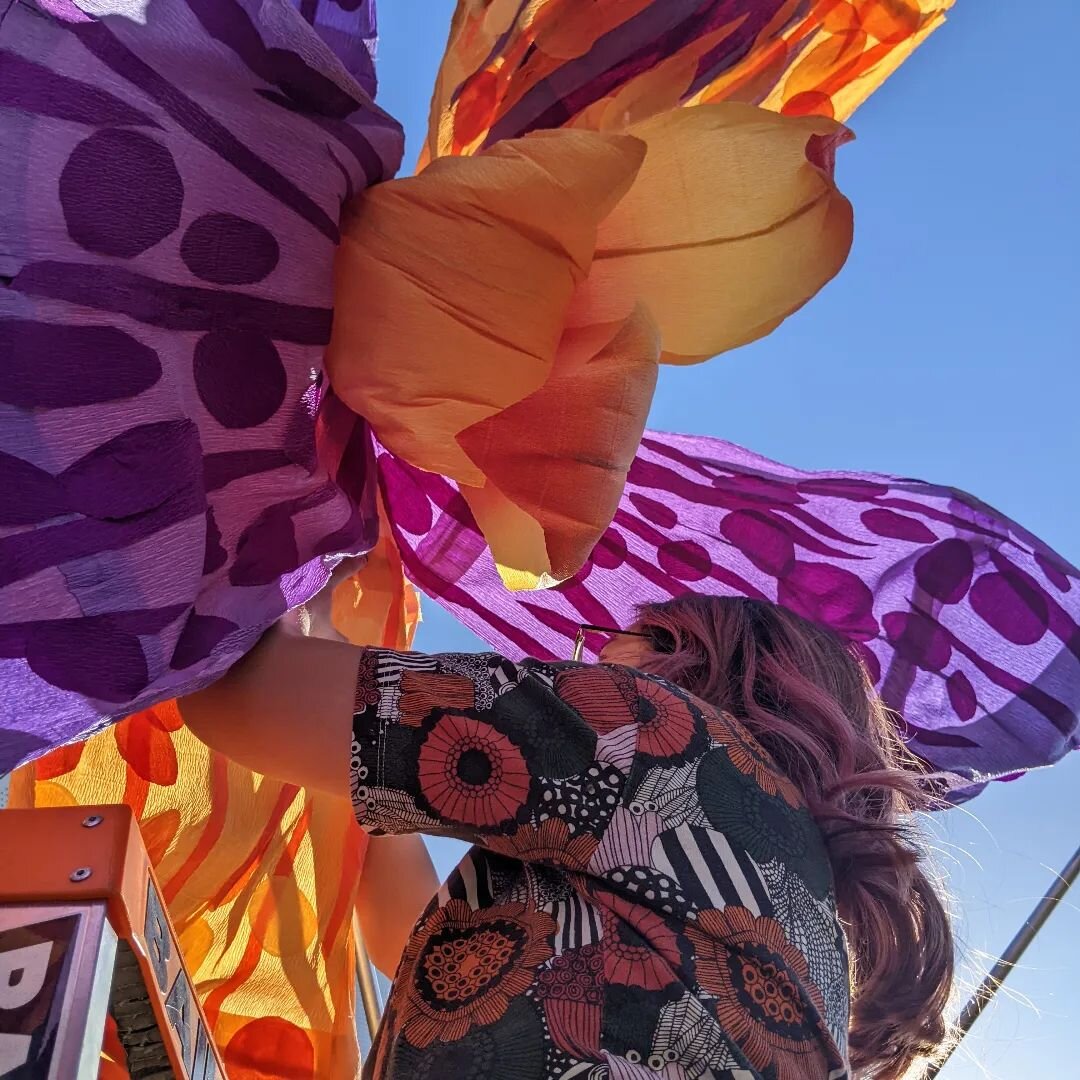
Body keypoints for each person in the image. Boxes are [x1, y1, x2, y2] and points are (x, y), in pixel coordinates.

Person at [180, 594, 953, 1080]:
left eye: (606, 643)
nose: (581, 662)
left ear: (677, 653)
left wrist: (299, 582)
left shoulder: (652, 730)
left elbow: (241, 697)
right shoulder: (804, 912)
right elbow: (424, 952)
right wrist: (372, 772)